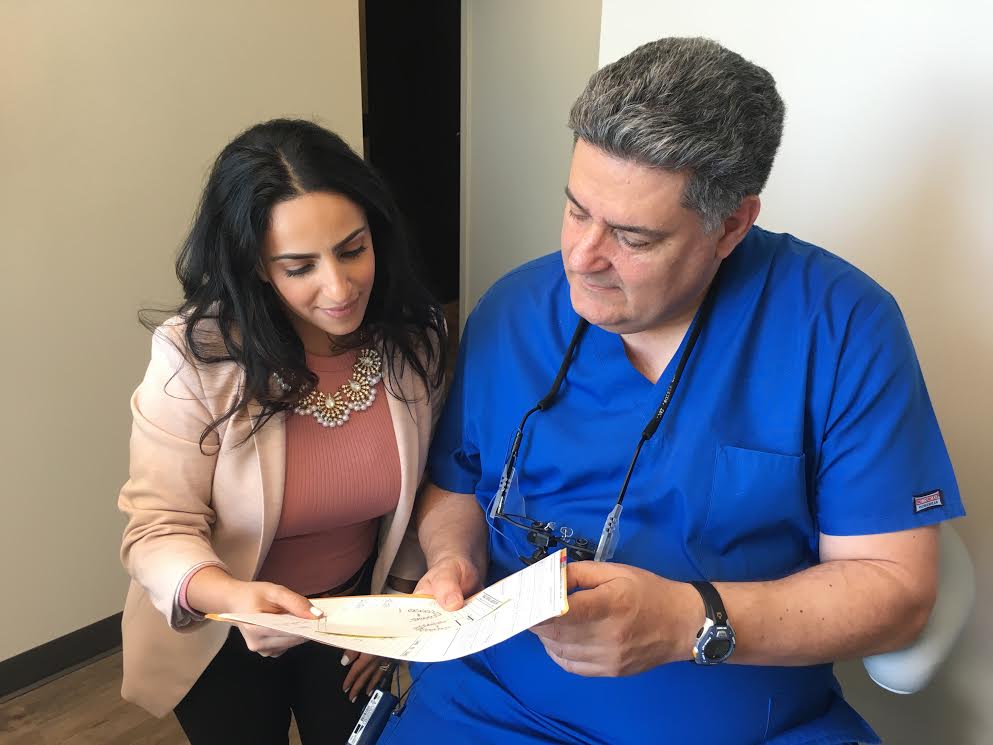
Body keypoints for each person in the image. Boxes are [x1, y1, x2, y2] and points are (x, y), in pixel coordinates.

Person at [378, 37, 965, 745]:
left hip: (742, 722)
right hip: (492, 706)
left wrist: (688, 621)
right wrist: (453, 558)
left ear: (730, 227)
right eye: (576, 210)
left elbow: (895, 590)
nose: (581, 258)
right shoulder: (512, 309)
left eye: (632, 237)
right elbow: (458, 486)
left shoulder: (839, 327)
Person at [117, 119, 445, 744]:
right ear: (258, 267)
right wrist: (232, 597)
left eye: (353, 250)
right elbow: (156, 529)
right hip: (222, 630)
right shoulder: (198, 356)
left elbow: (425, 487)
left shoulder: (414, 337)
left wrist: (397, 607)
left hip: (354, 619)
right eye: (300, 267)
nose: (339, 288)